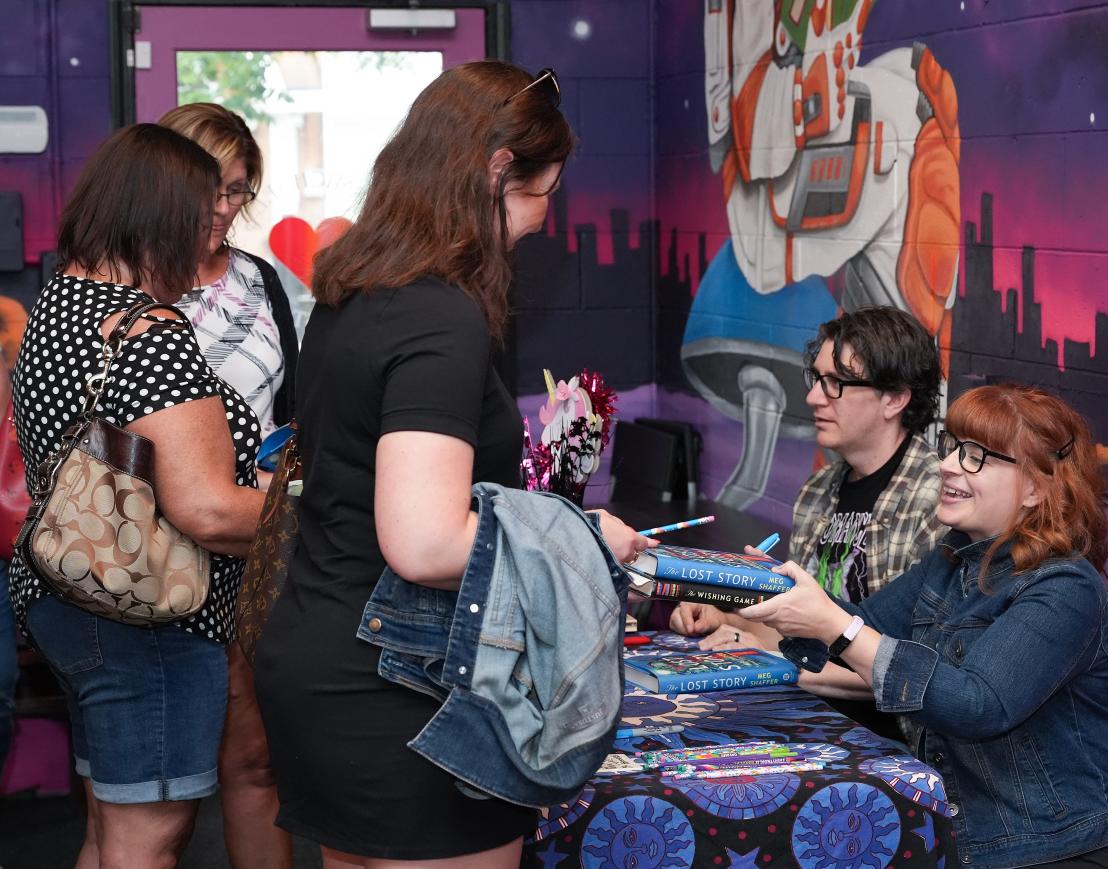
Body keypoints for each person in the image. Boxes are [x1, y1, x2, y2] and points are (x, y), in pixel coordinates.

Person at [253, 62, 652, 869]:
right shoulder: (440, 315)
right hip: (396, 681)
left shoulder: (357, 289)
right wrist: (578, 539)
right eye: (545, 193)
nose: (545, 219)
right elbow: (426, 540)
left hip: (322, 650)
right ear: (498, 172)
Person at [740, 384, 1108, 868]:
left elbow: (976, 704)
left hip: (1058, 849)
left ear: (1037, 488)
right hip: (964, 843)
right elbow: (861, 624)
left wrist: (836, 627)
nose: (949, 465)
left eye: (977, 456)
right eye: (952, 447)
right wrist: (755, 585)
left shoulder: (1064, 587)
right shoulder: (952, 560)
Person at [8, 123, 264, 869]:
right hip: (149, 613)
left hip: (71, 596)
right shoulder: (150, 330)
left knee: (111, 830)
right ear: (161, 217)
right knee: (148, 838)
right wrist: (314, 506)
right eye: (203, 215)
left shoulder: (59, 303)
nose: (211, 233)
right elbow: (208, 508)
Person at [158, 102, 298, 869]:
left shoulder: (261, 283)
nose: (221, 208)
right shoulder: (128, 285)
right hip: (150, 566)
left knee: (255, 764)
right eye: (208, 186)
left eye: (237, 190)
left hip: (250, 554)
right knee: (155, 798)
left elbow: (292, 415)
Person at [672, 308, 942, 688]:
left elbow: (920, 674)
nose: (814, 396)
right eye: (817, 378)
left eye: (836, 382)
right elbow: (805, 638)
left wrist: (772, 663)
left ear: (895, 398)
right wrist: (726, 622)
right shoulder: (818, 491)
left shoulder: (934, 501)